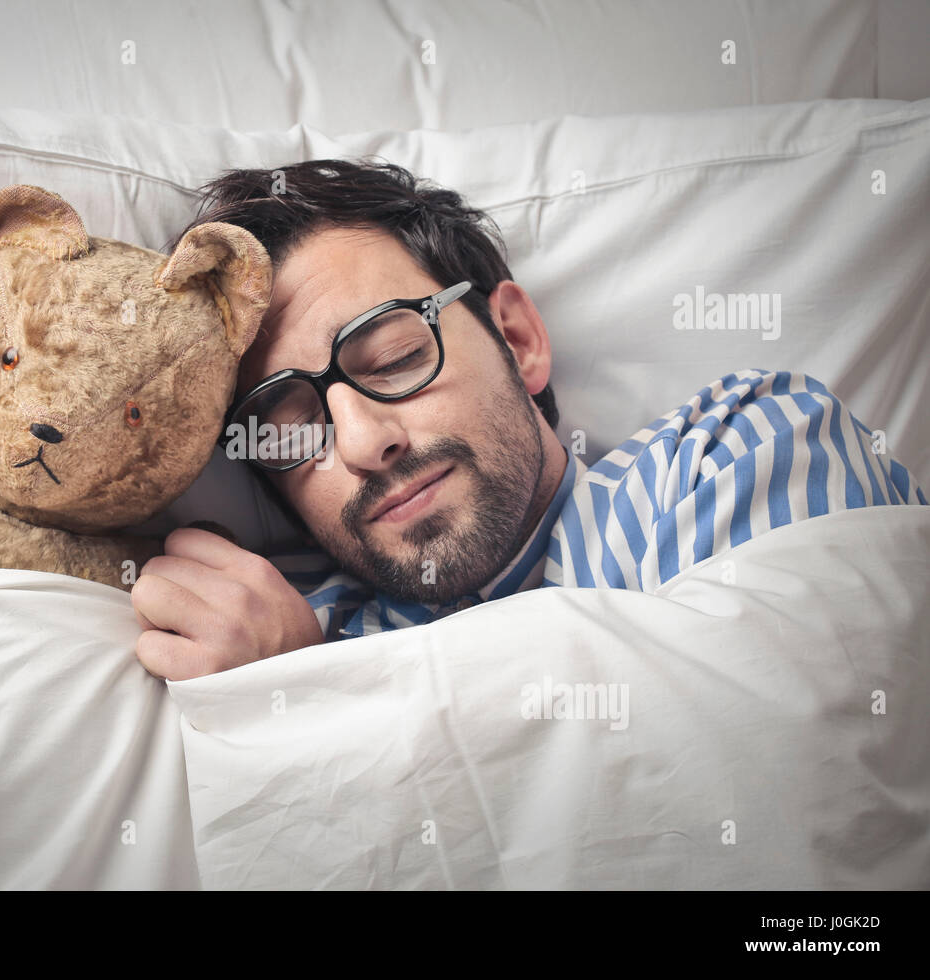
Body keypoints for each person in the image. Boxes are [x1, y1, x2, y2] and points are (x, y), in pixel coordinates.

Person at [130, 158, 927, 680]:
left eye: (396, 358)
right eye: (294, 428)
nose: (367, 443)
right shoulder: (260, 621)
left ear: (518, 339)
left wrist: (313, 700)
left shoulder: (742, 448)